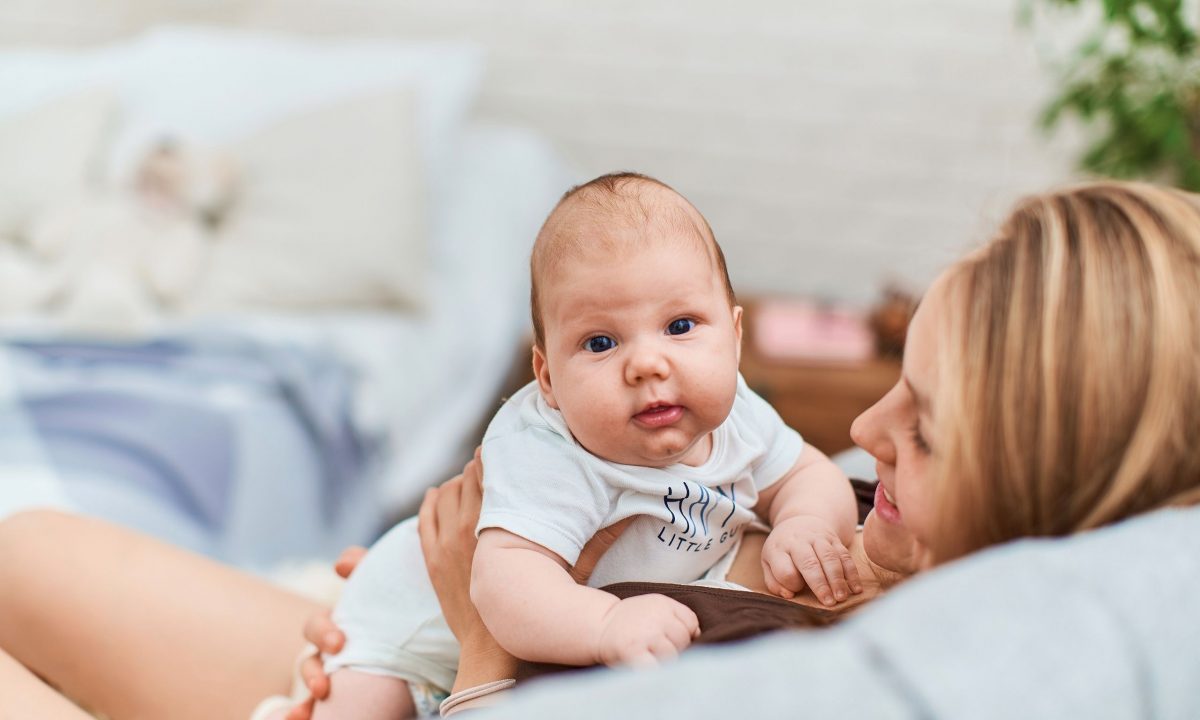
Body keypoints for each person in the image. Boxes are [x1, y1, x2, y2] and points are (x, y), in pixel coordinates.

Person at [0, 180, 1197, 720]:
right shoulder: (874, 525)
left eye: (924, 429)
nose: (863, 437)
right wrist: (411, 607)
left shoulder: (862, 678)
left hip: (483, 670)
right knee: (28, 548)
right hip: (435, 641)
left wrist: (474, 643)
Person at [288, 172, 859, 719]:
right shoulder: (549, 454)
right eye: (601, 342)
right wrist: (605, 623)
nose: (647, 364)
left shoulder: (739, 417)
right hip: (406, 637)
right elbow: (507, 587)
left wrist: (805, 521)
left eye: (681, 326)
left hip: (482, 667)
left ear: (734, 336)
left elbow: (807, 473)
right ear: (547, 378)